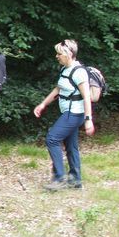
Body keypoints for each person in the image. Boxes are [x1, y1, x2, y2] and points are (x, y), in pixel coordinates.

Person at [34, 39, 95, 190]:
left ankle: (59, 178)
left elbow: (87, 97)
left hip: (75, 113)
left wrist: (88, 120)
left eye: (59, 53)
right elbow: (58, 90)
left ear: (69, 54)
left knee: (52, 139)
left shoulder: (78, 72)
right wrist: (43, 104)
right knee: (71, 145)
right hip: (69, 112)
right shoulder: (65, 69)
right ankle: (75, 180)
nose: (57, 56)